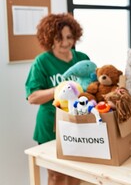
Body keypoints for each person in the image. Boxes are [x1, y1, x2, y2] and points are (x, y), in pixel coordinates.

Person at [25, 13, 90, 185]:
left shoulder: (82, 59)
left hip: (78, 125)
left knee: (77, 173)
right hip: (50, 127)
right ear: (49, 38)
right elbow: (33, 97)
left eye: (69, 37)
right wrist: (61, 89)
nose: (65, 43)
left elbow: (92, 88)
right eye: (58, 38)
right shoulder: (42, 62)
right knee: (57, 175)